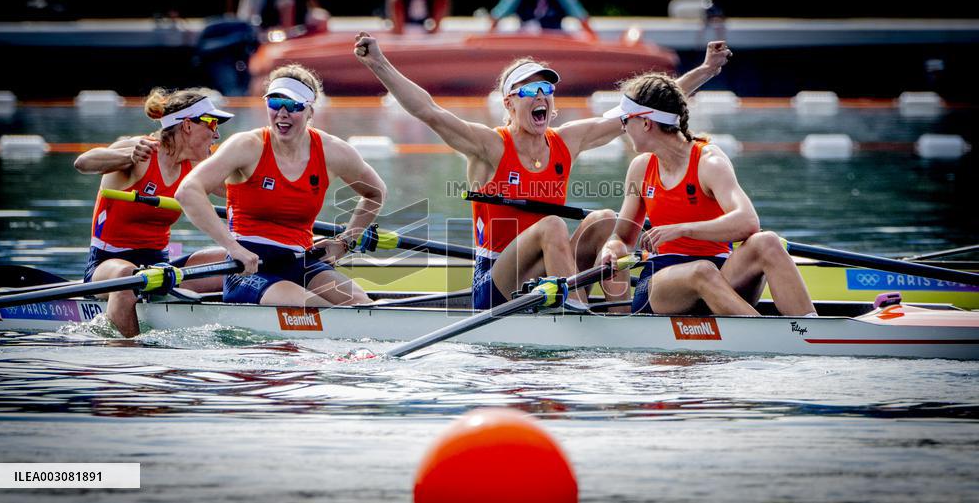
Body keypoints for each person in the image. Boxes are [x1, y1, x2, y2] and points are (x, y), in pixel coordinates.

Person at [355, 32, 731, 310]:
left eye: (547, 89)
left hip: (545, 276)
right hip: (494, 281)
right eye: (529, 89)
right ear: (508, 103)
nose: (541, 96)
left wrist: (705, 71)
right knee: (552, 224)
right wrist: (378, 63)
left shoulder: (566, 141)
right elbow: (429, 112)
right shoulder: (489, 146)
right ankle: (579, 314)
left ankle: (622, 317)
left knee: (604, 220)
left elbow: (644, 111)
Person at [598, 73, 817, 317]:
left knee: (768, 241)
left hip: (724, 275)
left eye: (626, 120)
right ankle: (773, 337)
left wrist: (682, 229)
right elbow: (622, 235)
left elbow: (748, 222)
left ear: (646, 123)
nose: (623, 127)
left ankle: (812, 332)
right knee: (701, 270)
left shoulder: (709, 162)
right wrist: (611, 246)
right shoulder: (640, 168)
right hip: (662, 285)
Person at [175, 64, 386, 307]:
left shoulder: (333, 152)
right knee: (320, 309)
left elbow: (375, 193)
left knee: (362, 305)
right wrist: (233, 248)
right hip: (248, 267)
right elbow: (188, 191)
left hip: (300, 261)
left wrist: (345, 242)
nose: (282, 113)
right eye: (275, 104)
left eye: (293, 105)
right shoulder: (248, 145)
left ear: (310, 111)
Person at [73, 88, 234, 337]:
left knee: (231, 259)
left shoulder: (195, 168)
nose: (217, 133)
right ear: (188, 126)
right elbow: (83, 162)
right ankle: (129, 355)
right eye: (212, 123)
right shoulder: (142, 151)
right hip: (108, 264)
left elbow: (241, 194)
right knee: (127, 275)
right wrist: (127, 155)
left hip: (159, 266)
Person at [489, 0, 595, 38]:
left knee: (578, 35)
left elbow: (581, 17)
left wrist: (593, 39)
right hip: (526, 36)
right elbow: (497, 15)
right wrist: (488, 36)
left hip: (554, 36)